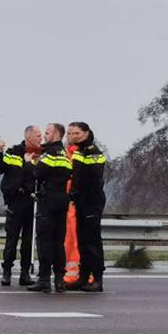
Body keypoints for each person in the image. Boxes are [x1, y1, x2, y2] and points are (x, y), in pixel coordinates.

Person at [26, 123, 73, 293]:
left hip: (48, 199)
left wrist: (30, 162)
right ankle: (59, 280)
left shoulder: (50, 154)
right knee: (58, 241)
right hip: (62, 198)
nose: (45, 136)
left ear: (56, 134)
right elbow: (68, 174)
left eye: (47, 133)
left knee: (44, 239)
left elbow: (38, 173)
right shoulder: (65, 154)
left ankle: (44, 279)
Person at [0, 126, 42, 286]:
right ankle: (6, 272)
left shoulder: (41, 155)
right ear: (28, 137)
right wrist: (0, 152)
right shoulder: (14, 153)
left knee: (28, 241)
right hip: (15, 201)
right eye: (38, 136)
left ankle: (24, 274)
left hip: (31, 201)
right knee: (11, 240)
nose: (41, 138)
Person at [67, 121, 107, 292]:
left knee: (92, 241)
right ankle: (83, 277)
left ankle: (97, 278)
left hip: (91, 200)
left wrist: (80, 193)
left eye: (76, 133)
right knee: (82, 240)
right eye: (70, 133)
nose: (73, 136)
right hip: (81, 201)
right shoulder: (78, 151)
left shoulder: (93, 152)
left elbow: (95, 179)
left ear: (86, 133)